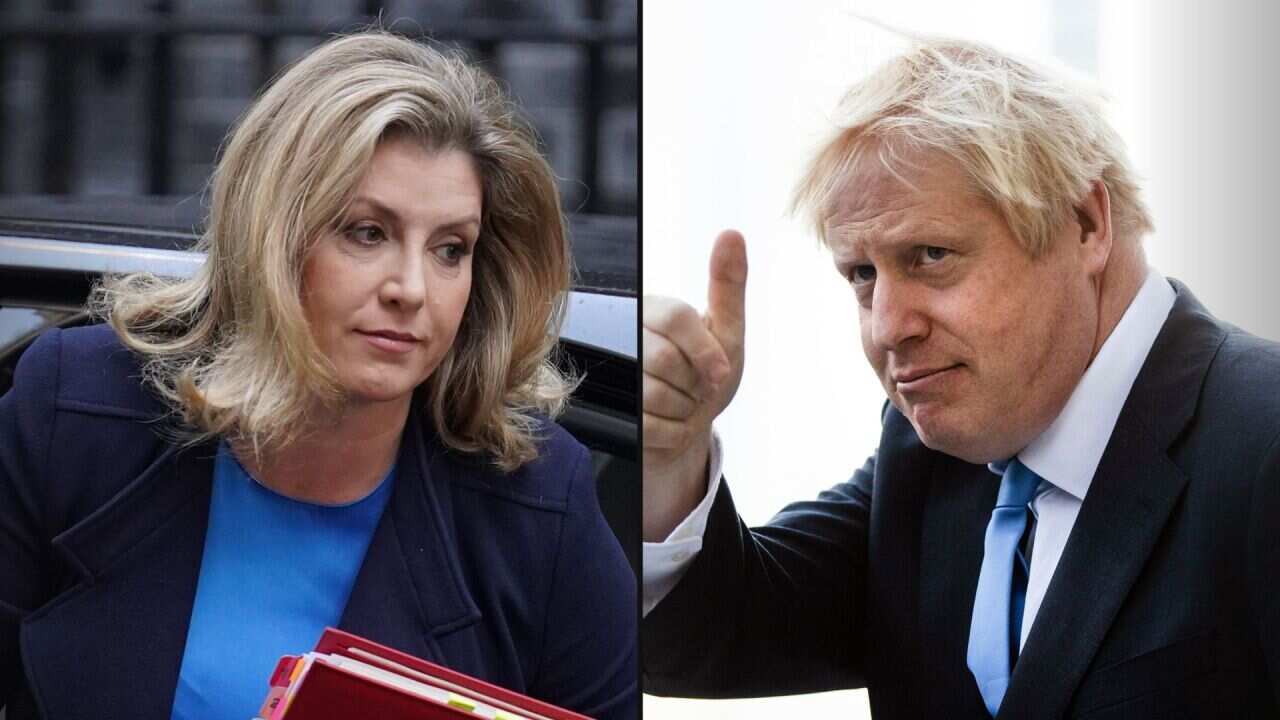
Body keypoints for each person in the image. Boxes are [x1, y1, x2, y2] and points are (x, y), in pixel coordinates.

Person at [0, 31, 636, 720]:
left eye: (451, 249)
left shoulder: (537, 506)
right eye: (367, 233)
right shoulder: (74, 411)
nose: (411, 288)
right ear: (273, 236)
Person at [641, 38, 1280, 718]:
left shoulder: (1262, 443)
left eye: (931, 255)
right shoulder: (933, 449)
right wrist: (671, 458)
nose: (889, 328)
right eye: (863, 274)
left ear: (1086, 223)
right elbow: (713, 632)